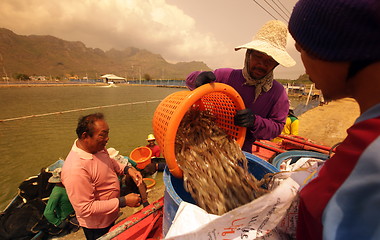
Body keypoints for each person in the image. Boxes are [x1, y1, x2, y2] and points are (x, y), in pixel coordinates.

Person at [288, 0, 380, 239]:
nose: (304, 64)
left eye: (302, 49)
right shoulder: (364, 137)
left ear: (338, 48)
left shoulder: (370, 157)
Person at [186, 20, 296, 153]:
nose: (261, 64)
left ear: (276, 64)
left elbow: (276, 127)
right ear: (248, 54)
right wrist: (198, 78)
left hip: (242, 152)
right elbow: (191, 79)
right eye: (257, 57)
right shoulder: (225, 75)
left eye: (269, 61)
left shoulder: (277, 93)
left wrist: (255, 121)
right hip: (208, 143)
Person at [61, 113, 143, 240]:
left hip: (110, 214)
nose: (107, 138)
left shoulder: (98, 147)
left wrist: (127, 169)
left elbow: (109, 162)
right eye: (102, 135)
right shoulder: (75, 169)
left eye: (107, 134)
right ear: (85, 136)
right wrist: (124, 201)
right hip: (97, 225)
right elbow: (85, 208)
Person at [43, 168, 78, 235]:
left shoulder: (67, 187)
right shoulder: (57, 193)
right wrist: (58, 223)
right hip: (69, 219)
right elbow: (47, 213)